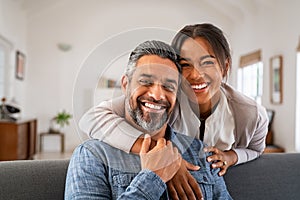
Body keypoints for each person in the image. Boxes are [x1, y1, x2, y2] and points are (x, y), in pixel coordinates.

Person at [79, 23, 268, 198]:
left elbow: (255, 149)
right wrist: (163, 157)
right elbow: (92, 118)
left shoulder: (248, 113)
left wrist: (231, 156)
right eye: (185, 65)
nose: (196, 75)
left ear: (225, 65)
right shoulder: (164, 100)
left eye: (207, 62)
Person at [65, 40, 232, 199]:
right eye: (145, 82)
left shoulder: (201, 152)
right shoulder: (92, 155)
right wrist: (152, 178)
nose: (157, 95)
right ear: (125, 85)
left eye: (169, 86)